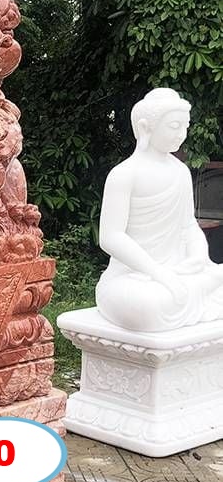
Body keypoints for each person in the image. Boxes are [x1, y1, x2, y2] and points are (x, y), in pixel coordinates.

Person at [96, 87, 223, 332]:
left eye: (185, 127)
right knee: (151, 305)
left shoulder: (180, 171)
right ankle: (188, 295)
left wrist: (198, 258)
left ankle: (191, 292)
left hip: (179, 271)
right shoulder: (124, 174)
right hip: (133, 277)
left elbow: (188, 225)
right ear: (145, 128)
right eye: (174, 126)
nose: (181, 134)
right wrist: (160, 274)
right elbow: (110, 237)